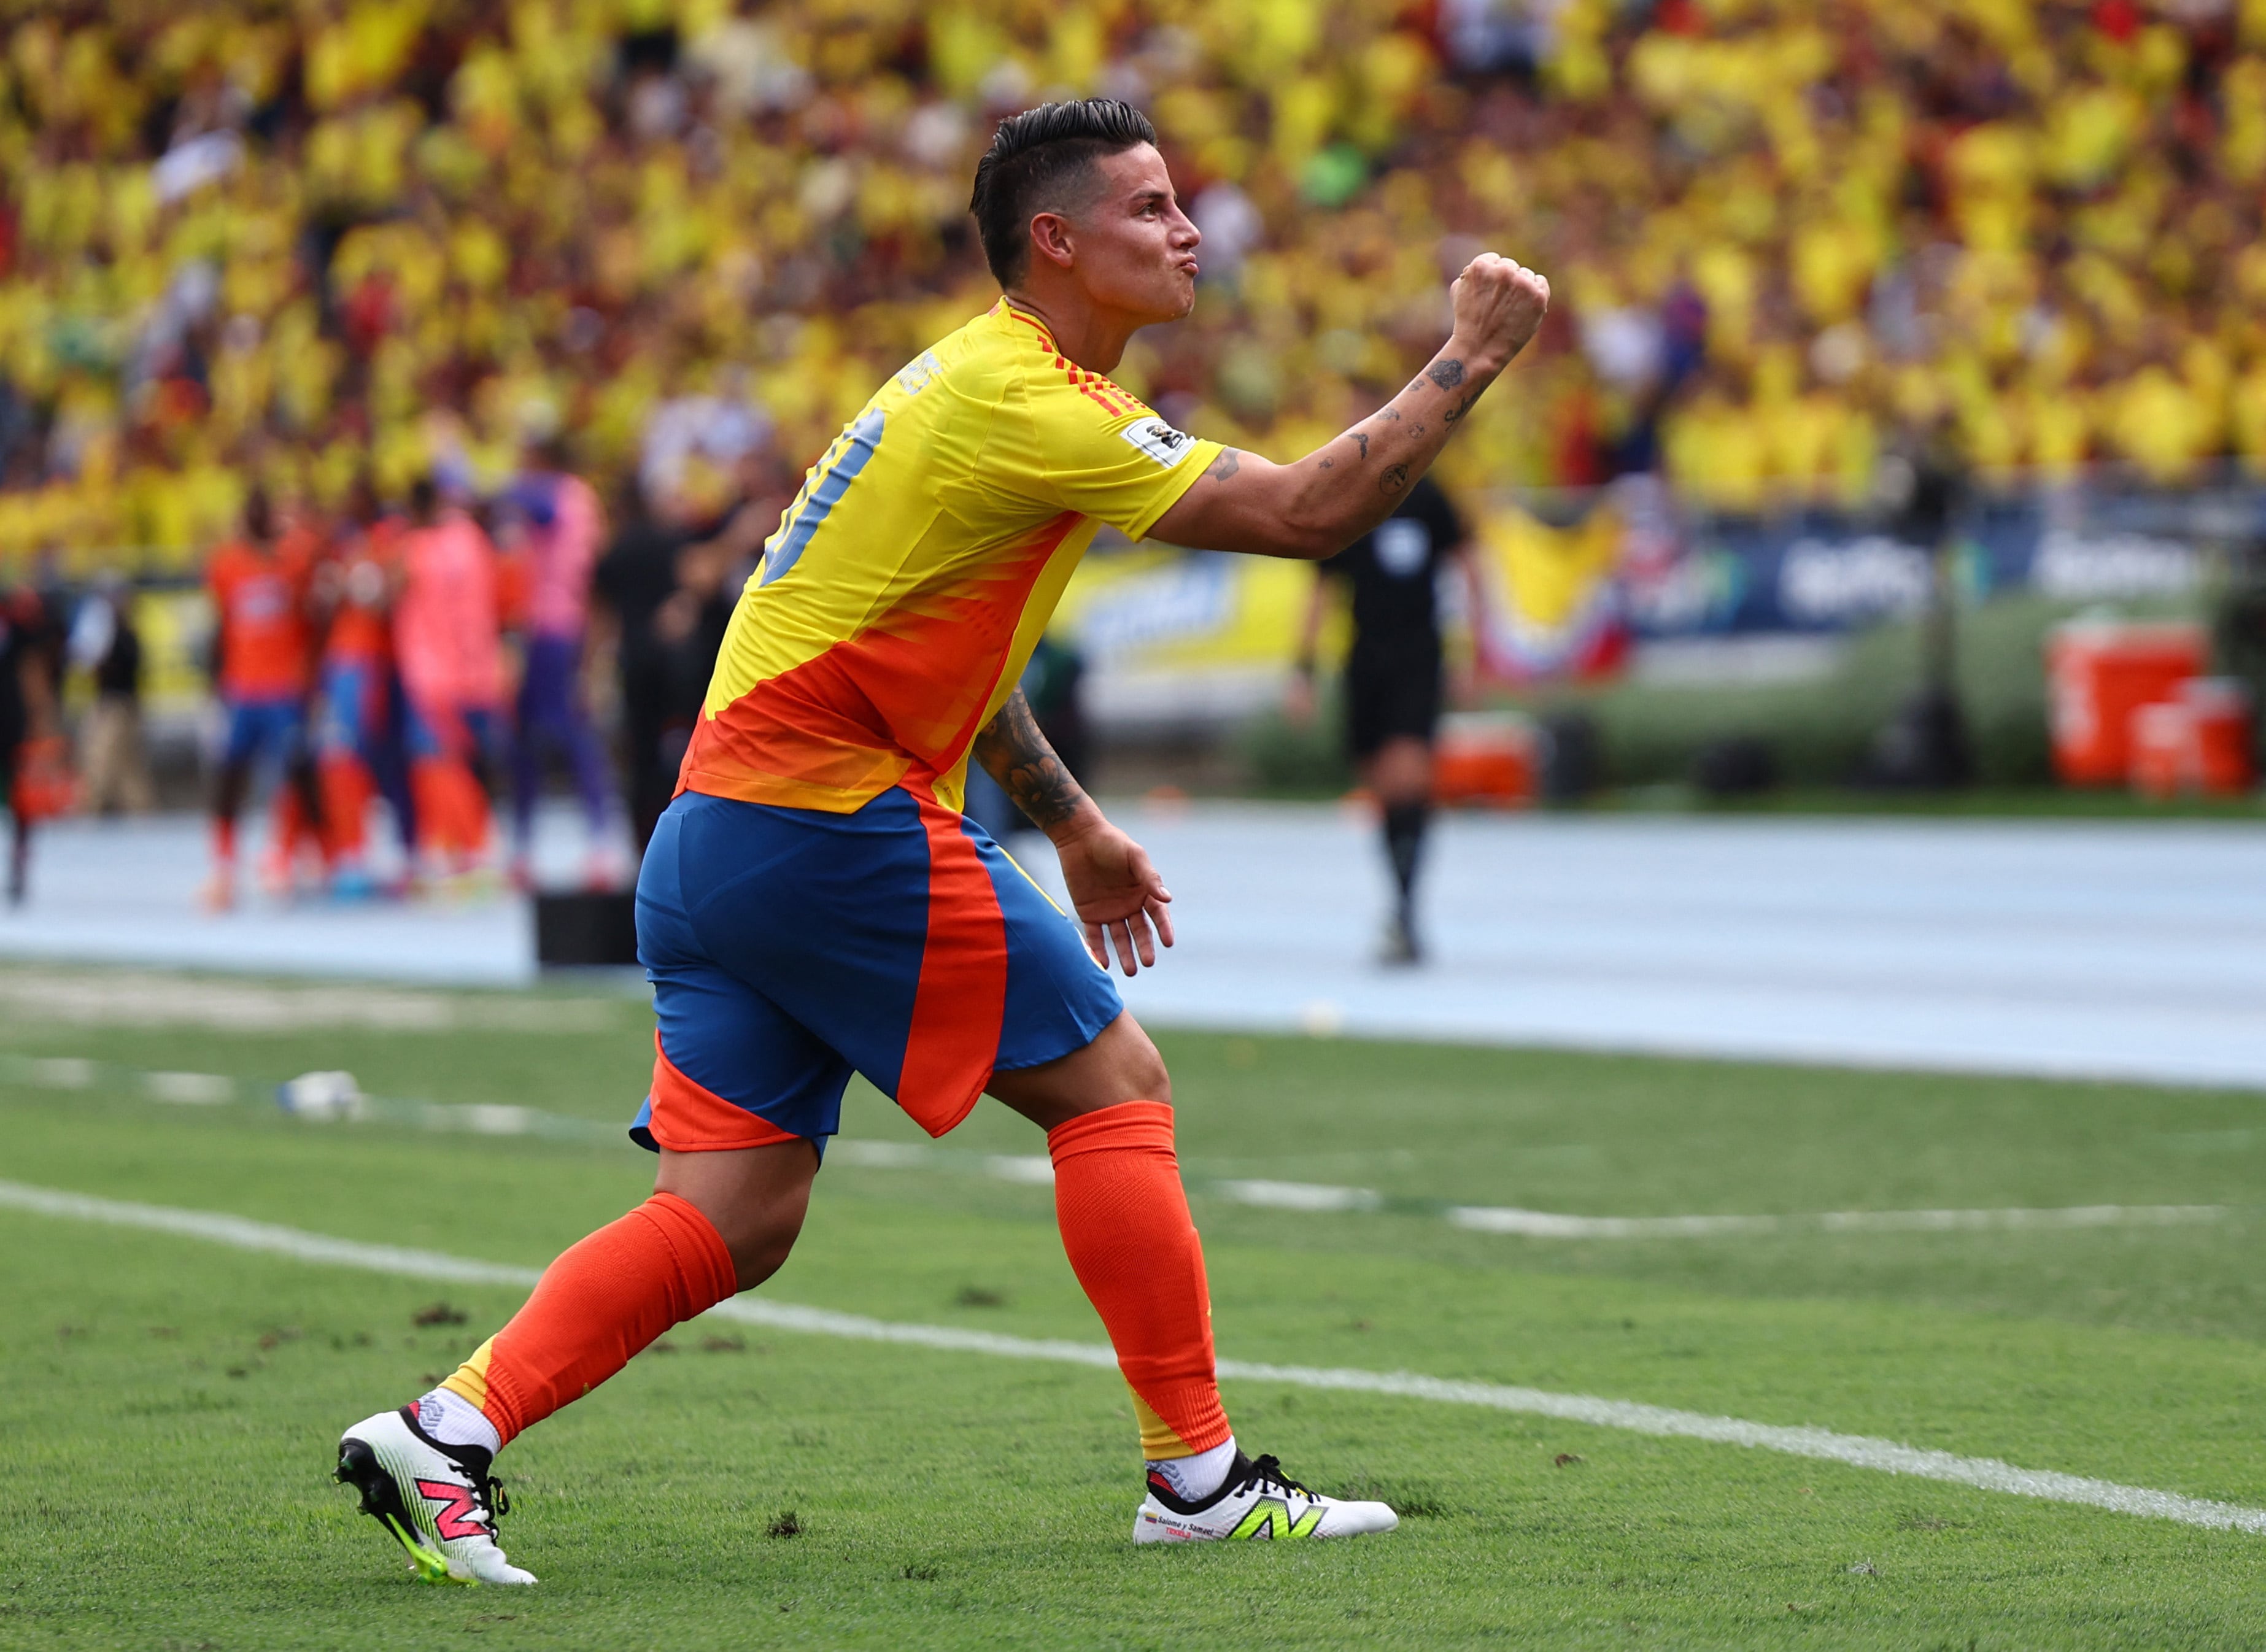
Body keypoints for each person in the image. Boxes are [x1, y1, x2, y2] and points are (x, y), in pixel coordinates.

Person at [334, 98, 1549, 1582]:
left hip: (715, 837)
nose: (1189, 232)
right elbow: (1309, 508)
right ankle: (1199, 1479)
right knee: (1116, 1083)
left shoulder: (966, 386)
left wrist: (1075, 821)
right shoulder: (1031, 398)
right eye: (1152, 206)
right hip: (825, 823)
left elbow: (936, 654)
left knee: (737, 1209)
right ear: (1056, 240)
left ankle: (444, 1431)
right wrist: (1472, 353)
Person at [1288, 450, 1479, 964]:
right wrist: (1303, 670)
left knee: (1407, 778)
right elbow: (1323, 588)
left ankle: (1405, 913)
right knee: (1381, 784)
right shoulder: (1352, 497)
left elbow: (1466, 564)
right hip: (1364, 662)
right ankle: (1401, 905)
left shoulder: (1431, 495)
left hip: (1418, 658)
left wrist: (1472, 652)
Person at [504, 438, 614, 890]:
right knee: (524, 740)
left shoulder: (562, 496)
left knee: (570, 732)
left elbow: (530, 504)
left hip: (557, 628)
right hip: (539, 628)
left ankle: (599, 844)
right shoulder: (580, 499)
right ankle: (526, 848)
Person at [202, 489, 320, 909]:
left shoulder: (294, 561)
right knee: (229, 776)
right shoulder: (227, 564)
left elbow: (312, 617)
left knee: (291, 775)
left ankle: (286, 858)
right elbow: (221, 624)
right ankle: (224, 866)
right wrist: (215, 683)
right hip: (242, 688)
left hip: (284, 687)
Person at [393, 476, 506, 878]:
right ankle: (466, 849)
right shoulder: (472, 540)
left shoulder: (416, 548)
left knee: (436, 763)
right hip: (477, 671)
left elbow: (390, 589)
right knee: (471, 762)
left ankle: (468, 850)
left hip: (429, 675)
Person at [69, 575, 153, 818]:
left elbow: (110, 669)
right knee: (129, 768)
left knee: (99, 760)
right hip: (118, 705)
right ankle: (141, 814)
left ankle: (88, 812)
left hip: (117, 706)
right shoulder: (116, 634)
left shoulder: (125, 637)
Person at [0, 581, 58, 903]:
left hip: (12, 723)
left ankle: (18, 868)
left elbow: (32, 670)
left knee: (21, 803)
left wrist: (41, 720)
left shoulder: (16, 622)